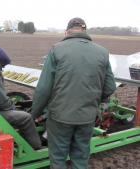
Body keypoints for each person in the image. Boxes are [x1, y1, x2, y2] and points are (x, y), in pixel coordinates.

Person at [31, 17, 116, 169]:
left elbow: (44, 89)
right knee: (81, 156)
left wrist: (34, 113)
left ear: (67, 31)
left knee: (58, 158)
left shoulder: (57, 49)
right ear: (84, 30)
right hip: (87, 117)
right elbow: (110, 87)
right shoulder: (103, 52)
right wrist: (94, 102)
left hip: (59, 117)